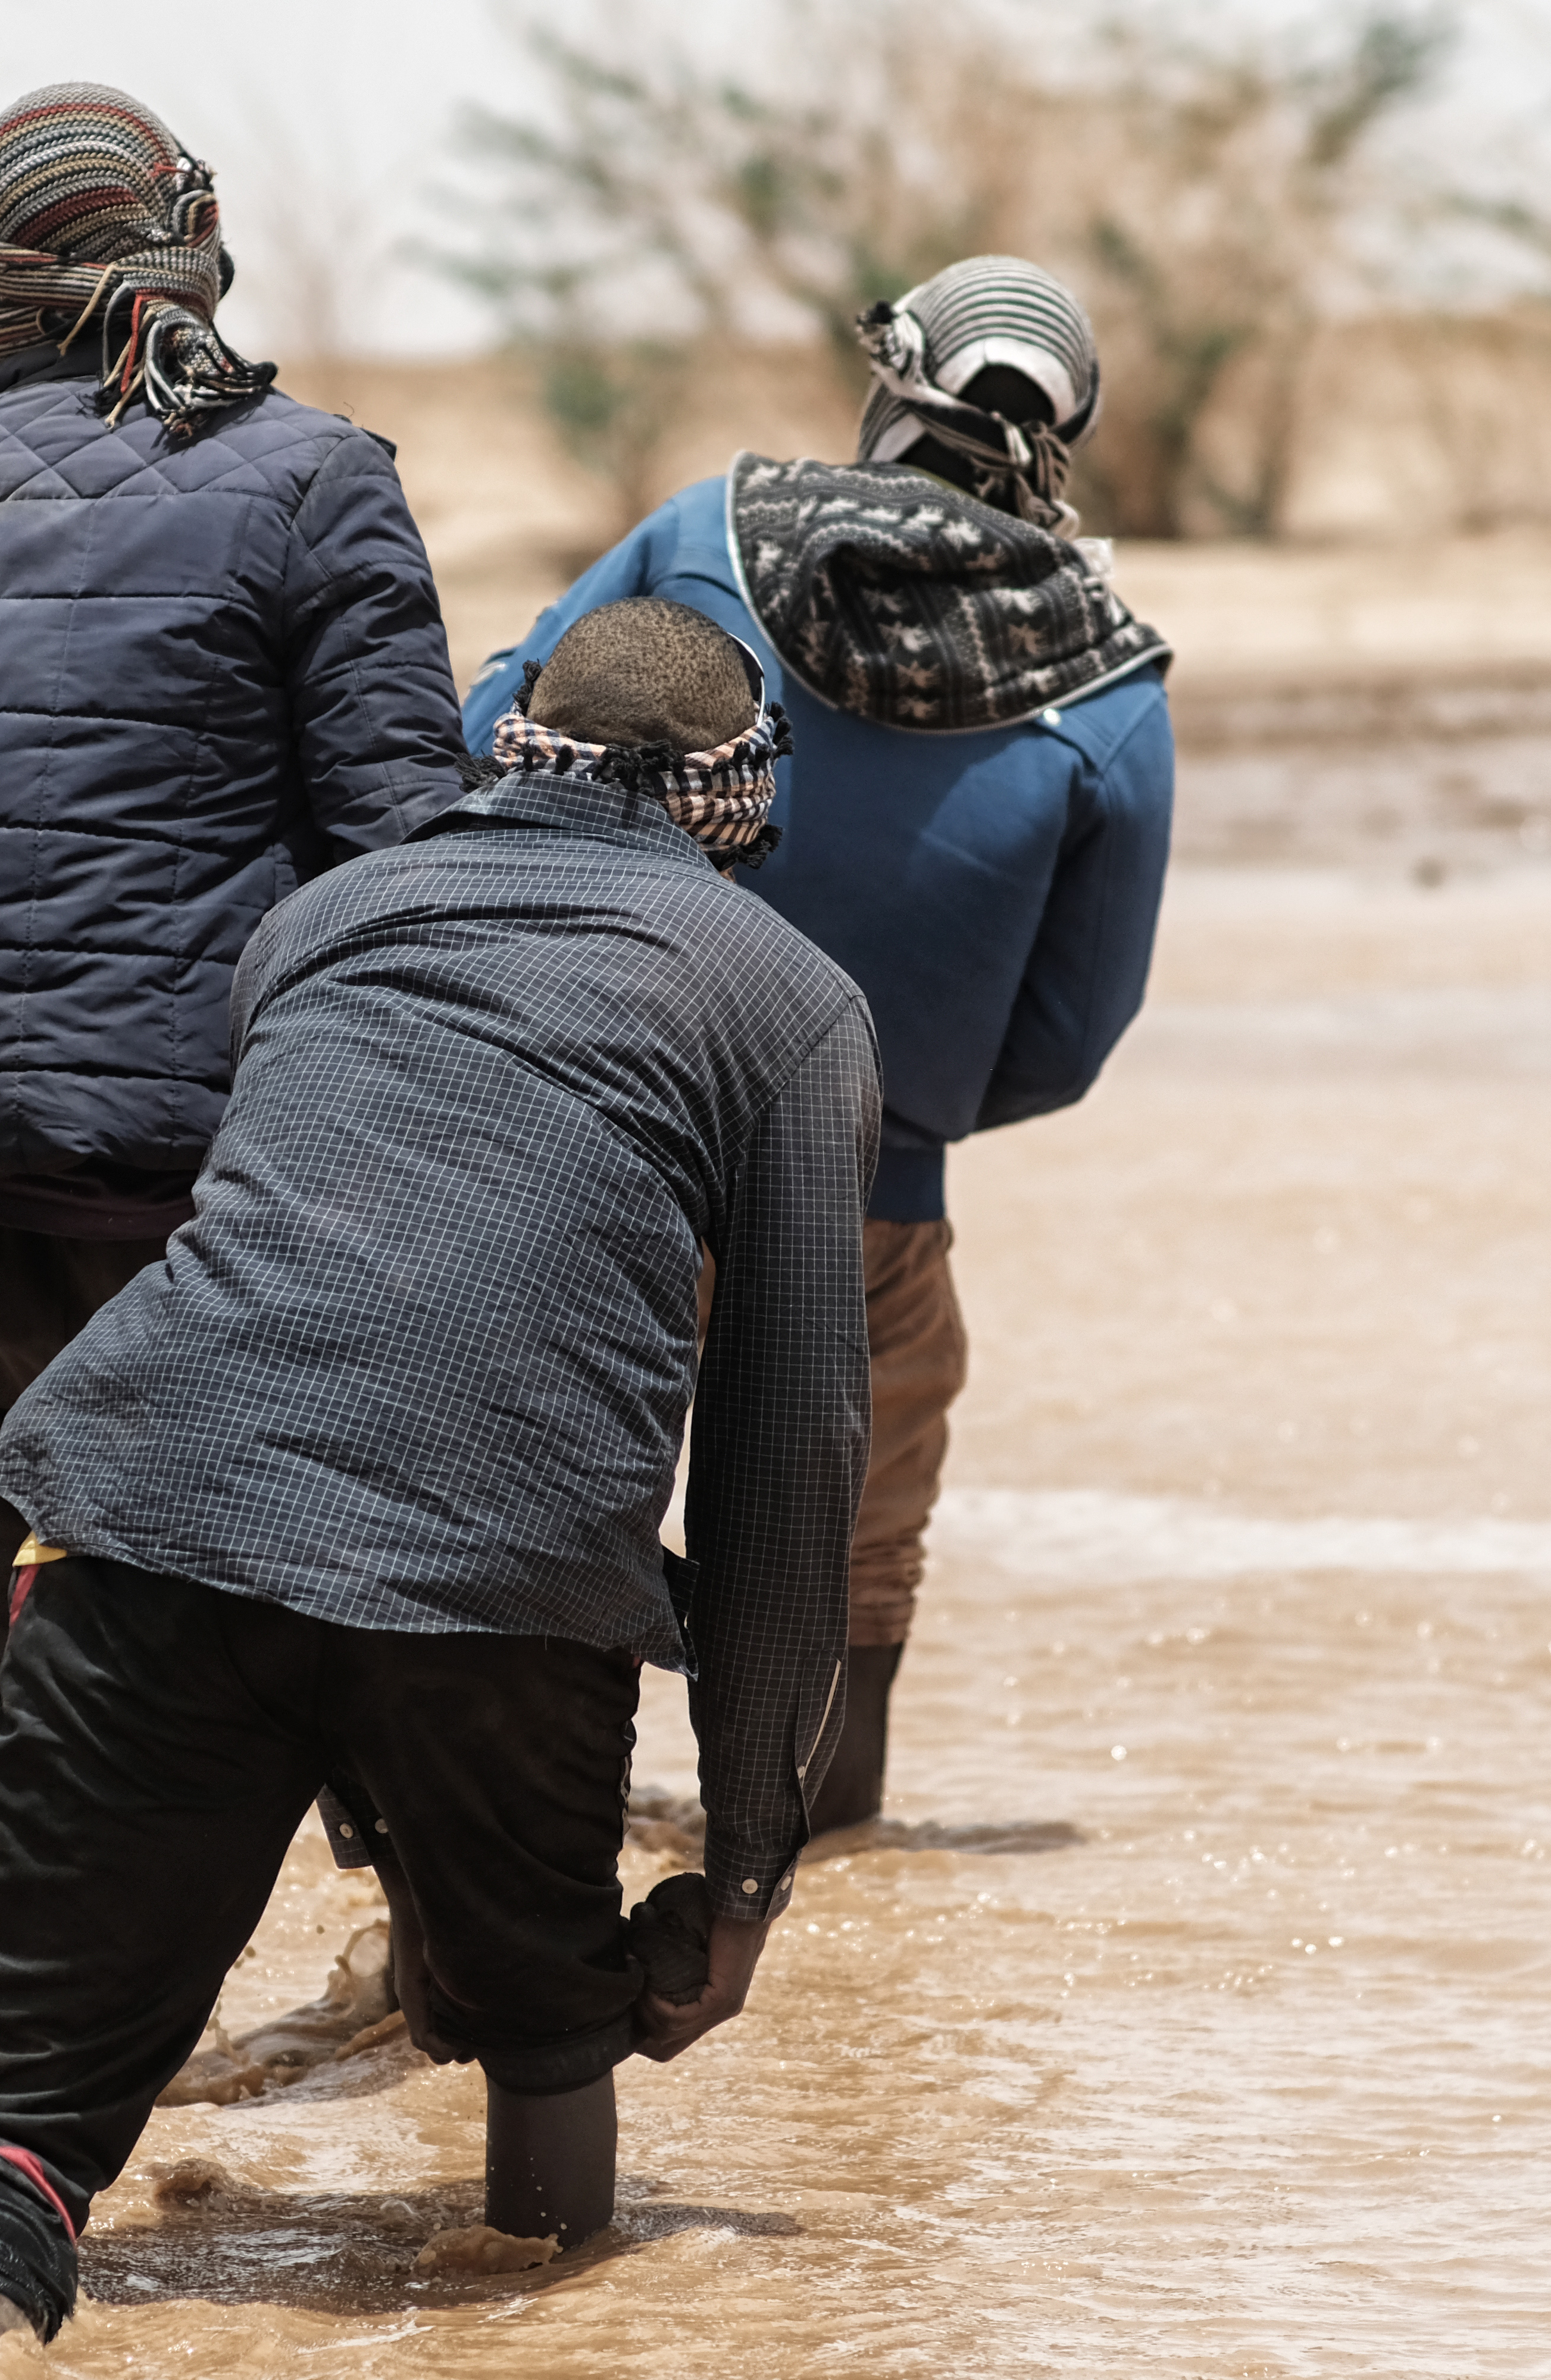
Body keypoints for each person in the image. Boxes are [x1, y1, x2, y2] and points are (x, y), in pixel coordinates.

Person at [0, 597, 877, 2372]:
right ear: (738, 798)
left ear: (514, 741)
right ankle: (543, 2313)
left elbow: (326, 1254)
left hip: (150, 1514)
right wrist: (751, 1878)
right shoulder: (791, 1003)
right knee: (554, 2022)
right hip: (502, 1585)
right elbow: (791, 1470)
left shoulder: (324, 921)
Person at [0, 83, 463, 1828]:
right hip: (221, 1210)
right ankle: (437, 2048)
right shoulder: (310, 482)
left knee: (8, 1681)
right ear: (196, 252)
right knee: (350, 1654)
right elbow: (409, 890)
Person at [462, 256, 1174, 1836]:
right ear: (1066, 435)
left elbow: (495, 733)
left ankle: (517, 1925)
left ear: (889, 381)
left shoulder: (706, 535)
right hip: (872, 1201)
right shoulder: (1108, 676)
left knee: (548, 1555)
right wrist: (887, 1100)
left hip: (607, 1152)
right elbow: (1069, 1038)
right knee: (845, 1608)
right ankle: (798, 1913)